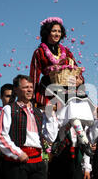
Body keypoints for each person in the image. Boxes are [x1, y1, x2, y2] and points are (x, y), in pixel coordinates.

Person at [29, 17, 93, 157]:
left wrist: (79, 81)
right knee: (54, 115)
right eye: (53, 31)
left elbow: (76, 71)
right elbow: (34, 76)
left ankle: (80, 138)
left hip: (67, 87)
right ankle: (61, 140)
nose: (57, 34)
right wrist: (31, 98)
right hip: (49, 88)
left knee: (75, 107)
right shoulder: (39, 52)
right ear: (47, 32)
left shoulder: (67, 52)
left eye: (59, 31)